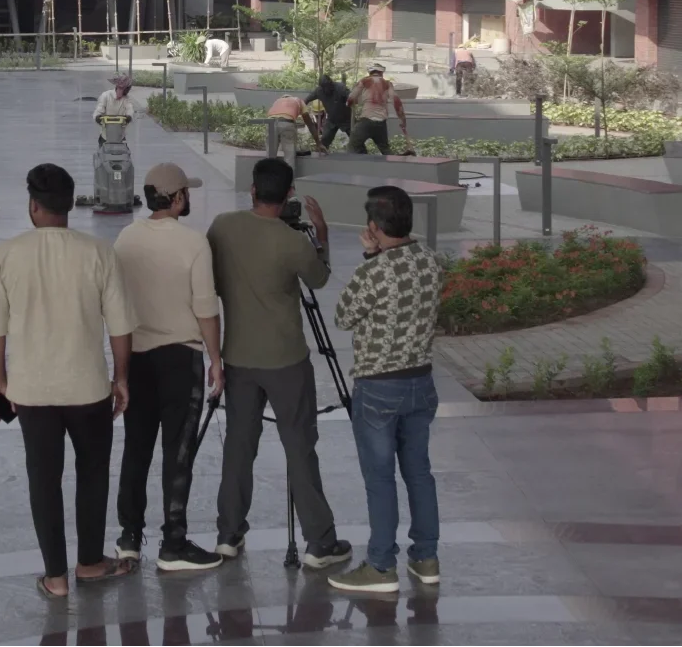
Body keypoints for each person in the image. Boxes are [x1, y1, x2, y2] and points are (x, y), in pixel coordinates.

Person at [0, 163, 138, 598]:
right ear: (69, 205)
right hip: (89, 388)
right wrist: (121, 378)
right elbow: (120, 327)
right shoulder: (99, 252)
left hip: (31, 393)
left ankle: (55, 577)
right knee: (93, 474)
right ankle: (90, 563)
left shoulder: (8, 255)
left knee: (43, 480)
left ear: (33, 205)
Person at [207, 157, 352, 570]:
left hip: (238, 357)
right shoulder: (293, 243)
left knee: (239, 445)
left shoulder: (222, 227)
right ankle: (319, 542)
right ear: (289, 194)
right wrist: (321, 236)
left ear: (252, 190)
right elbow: (319, 278)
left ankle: (228, 534)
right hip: (287, 360)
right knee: (299, 447)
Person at [328, 186, 442, 594]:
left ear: (373, 228)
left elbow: (343, 316)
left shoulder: (373, 272)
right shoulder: (432, 260)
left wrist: (370, 258)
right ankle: (426, 558)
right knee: (419, 473)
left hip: (378, 387)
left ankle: (380, 566)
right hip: (421, 382)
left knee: (380, 478)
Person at [112, 163, 224, 572]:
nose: (188, 198)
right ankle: (173, 543)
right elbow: (206, 308)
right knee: (178, 454)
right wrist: (216, 361)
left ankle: (129, 538)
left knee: (136, 449)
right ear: (176, 198)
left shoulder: (126, 238)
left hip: (137, 358)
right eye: (186, 193)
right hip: (180, 358)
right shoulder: (193, 243)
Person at [347, 65, 408, 155]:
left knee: (353, 145)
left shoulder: (364, 81)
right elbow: (396, 102)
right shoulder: (388, 84)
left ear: (370, 73)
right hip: (381, 123)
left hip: (366, 120)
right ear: (381, 73)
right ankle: (393, 160)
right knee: (385, 148)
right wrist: (402, 119)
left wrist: (349, 104)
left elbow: (351, 98)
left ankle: (361, 160)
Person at [266, 94, 324, 168]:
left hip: (270, 124)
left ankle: (267, 174)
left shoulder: (277, 101)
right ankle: (288, 175)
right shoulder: (299, 101)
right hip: (287, 123)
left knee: (270, 157)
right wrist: (318, 143)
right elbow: (310, 124)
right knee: (289, 157)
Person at [306, 74, 351, 148]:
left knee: (356, 140)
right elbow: (306, 100)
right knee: (324, 139)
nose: (326, 89)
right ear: (321, 87)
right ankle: (322, 153)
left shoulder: (340, 88)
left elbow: (351, 97)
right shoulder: (319, 91)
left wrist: (350, 99)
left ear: (331, 83)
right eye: (324, 87)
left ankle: (361, 154)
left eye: (328, 86)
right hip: (332, 120)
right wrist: (300, 106)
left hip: (346, 119)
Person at [94, 75, 135, 142]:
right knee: (103, 146)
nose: (122, 91)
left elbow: (130, 109)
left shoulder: (127, 99)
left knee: (123, 148)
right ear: (117, 87)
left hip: (120, 134)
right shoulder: (106, 95)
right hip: (105, 134)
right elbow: (99, 108)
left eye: (125, 89)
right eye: (120, 88)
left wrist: (129, 116)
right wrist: (97, 116)